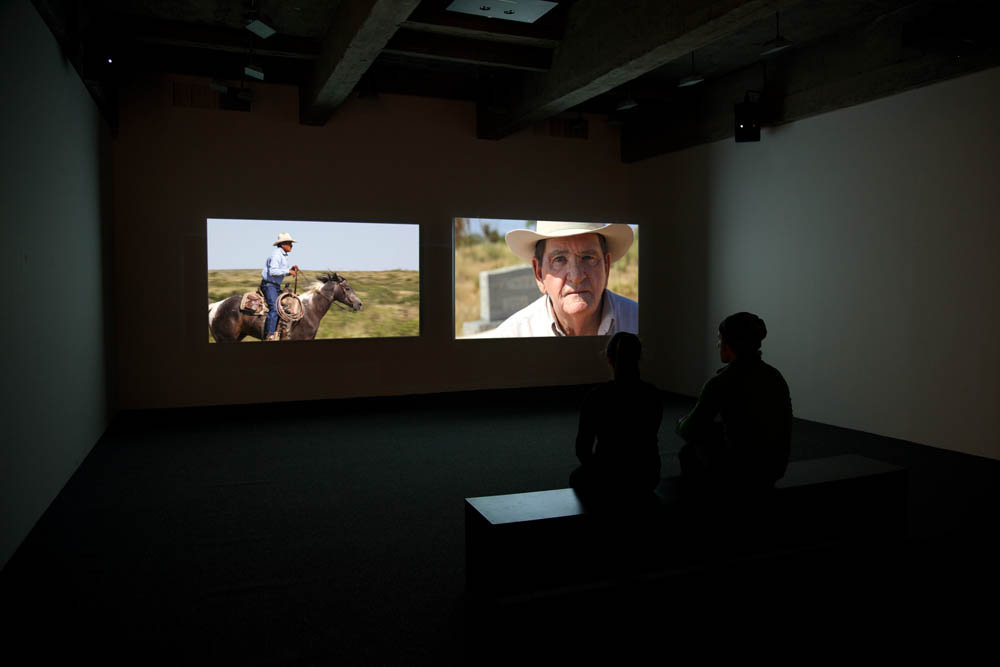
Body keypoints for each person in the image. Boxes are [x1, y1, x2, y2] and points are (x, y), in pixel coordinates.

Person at [676, 312, 792, 493]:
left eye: (719, 339)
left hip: (740, 472)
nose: (717, 344)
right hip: (774, 469)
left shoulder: (721, 382)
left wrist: (680, 423)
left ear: (728, 343)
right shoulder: (775, 377)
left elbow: (690, 429)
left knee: (688, 452)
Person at [489, 221, 637, 337]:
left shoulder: (641, 324)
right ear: (539, 273)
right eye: (559, 260)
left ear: (606, 267)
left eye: (587, 258)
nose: (576, 276)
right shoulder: (513, 336)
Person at [570, 332, 663, 506]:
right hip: (647, 476)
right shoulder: (653, 394)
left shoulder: (596, 397)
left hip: (607, 475)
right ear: (639, 357)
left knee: (576, 478)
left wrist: (600, 470)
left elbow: (582, 448)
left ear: (608, 358)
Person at [260, 232, 299, 342]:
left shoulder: (283, 255)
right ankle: (270, 335)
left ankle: (282, 331)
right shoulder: (277, 254)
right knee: (274, 308)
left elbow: (280, 271)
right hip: (269, 285)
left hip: (275, 285)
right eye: (289, 243)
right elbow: (273, 271)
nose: (291, 245)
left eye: (291, 243)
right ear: (283, 244)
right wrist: (288, 271)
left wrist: (290, 270)